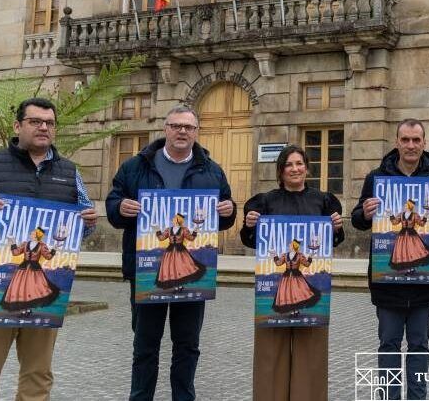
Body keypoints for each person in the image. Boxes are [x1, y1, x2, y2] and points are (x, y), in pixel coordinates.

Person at [0, 97, 98, 401]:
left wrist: (89, 222)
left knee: (38, 375)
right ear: (17, 126)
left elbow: (82, 224)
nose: (43, 127)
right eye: (35, 121)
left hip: (45, 295)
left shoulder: (69, 172)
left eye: (49, 123)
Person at [105, 105, 236, 401]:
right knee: (145, 345)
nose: (182, 131)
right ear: (165, 129)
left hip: (193, 276)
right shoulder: (134, 167)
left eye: (188, 127)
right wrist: (120, 207)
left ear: (196, 132)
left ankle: (183, 397)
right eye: (176, 126)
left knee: (187, 345)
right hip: (146, 271)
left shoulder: (212, 170)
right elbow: (113, 206)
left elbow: (223, 214)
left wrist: (229, 210)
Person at [351, 119, 429, 400]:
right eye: (405, 140)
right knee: (388, 344)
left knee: (420, 346)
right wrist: (365, 212)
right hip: (387, 285)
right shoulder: (376, 178)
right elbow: (358, 220)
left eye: (416, 140)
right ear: (397, 142)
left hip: (425, 287)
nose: (411, 145)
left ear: (424, 143)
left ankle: (417, 397)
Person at [240, 145, 345, 401]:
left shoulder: (323, 201)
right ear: (280, 170)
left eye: (299, 164)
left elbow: (331, 242)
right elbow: (251, 241)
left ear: (307, 168)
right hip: (275, 284)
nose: (295, 169)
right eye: (289, 164)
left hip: (309, 281)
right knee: (270, 352)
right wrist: (250, 225)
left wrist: (336, 229)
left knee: (311, 353)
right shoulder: (265, 201)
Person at [0, 227, 61, 315]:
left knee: (31, 289)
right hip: (23, 270)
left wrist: (54, 249)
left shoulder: (42, 246)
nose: (31, 234)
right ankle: (24, 310)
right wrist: (13, 241)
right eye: (32, 233)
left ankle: (28, 310)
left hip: (35, 272)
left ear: (37, 235)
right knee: (21, 289)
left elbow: (48, 257)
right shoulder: (25, 244)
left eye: (33, 233)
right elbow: (15, 253)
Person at [154, 213, 206, 290]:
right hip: (170, 252)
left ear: (178, 220)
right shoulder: (168, 229)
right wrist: (157, 230)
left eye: (174, 218)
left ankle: (180, 286)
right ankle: (176, 286)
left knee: (180, 268)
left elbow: (191, 238)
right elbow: (161, 238)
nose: (173, 219)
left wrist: (195, 231)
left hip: (181, 252)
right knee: (171, 268)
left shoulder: (184, 230)